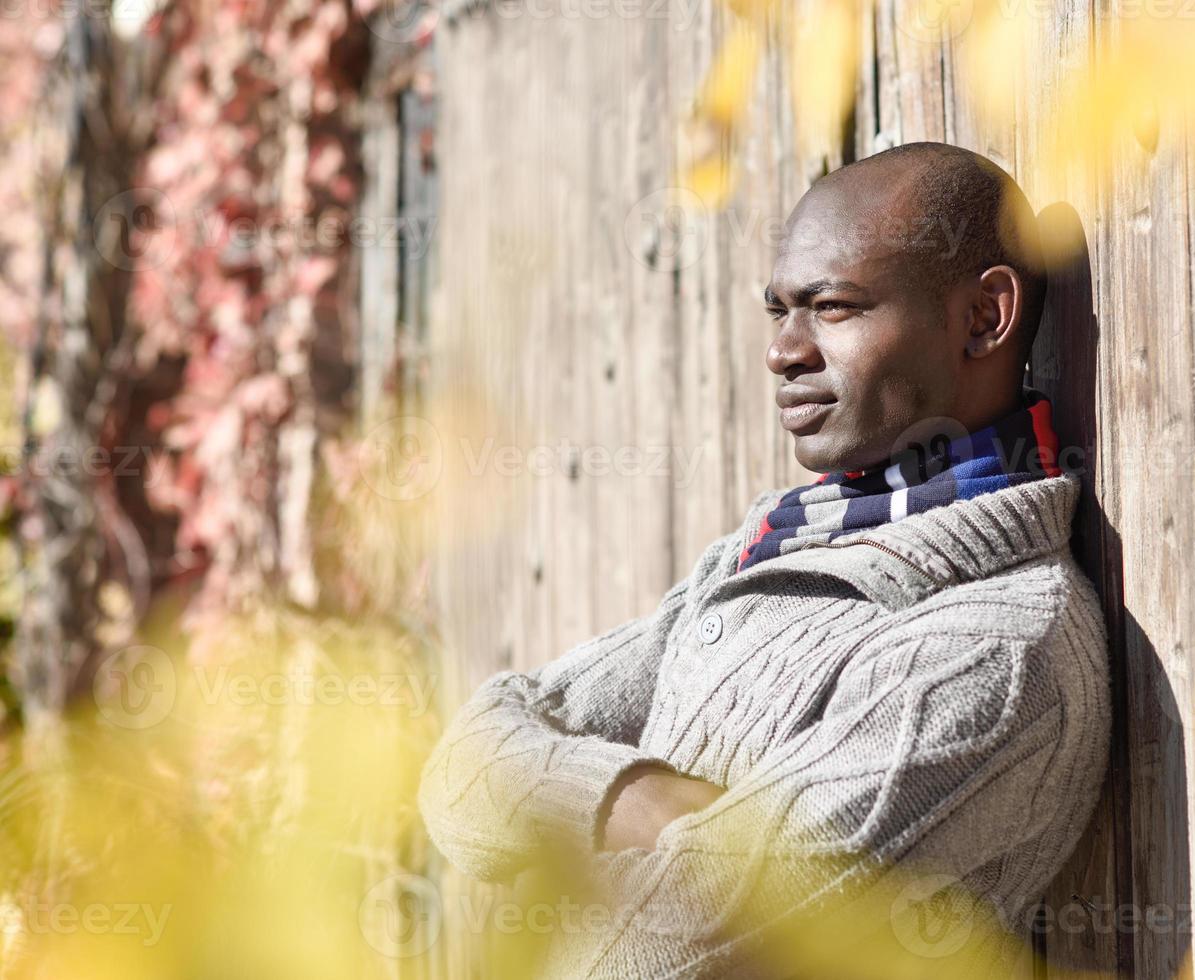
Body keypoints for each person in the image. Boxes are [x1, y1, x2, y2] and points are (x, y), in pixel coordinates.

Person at [418, 141, 1110, 977]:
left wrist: (562, 820)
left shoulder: (999, 652)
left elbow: (664, 949)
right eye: (778, 310)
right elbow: (461, 766)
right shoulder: (777, 551)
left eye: (834, 308)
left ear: (982, 318)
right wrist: (640, 803)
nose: (785, 350)